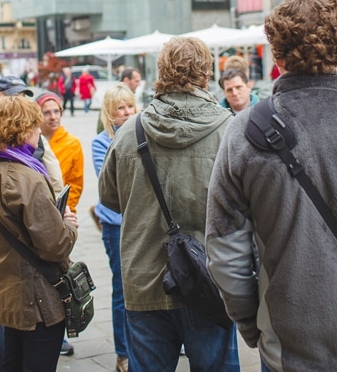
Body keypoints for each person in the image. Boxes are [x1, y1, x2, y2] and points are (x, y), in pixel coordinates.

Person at [206, 0, 337, 372]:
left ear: (276, 56)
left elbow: (224, 250)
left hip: (288, 343)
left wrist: (253, 324)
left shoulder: (243, 133)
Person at [98, 37, 241, 372]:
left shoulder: (130, 131)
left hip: (144, 278)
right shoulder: (229, 130)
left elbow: (108, 198)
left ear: (161, 71)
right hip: (209, 279)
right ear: (206, 72)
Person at [0, 95, 79, 372]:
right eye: (35, 124)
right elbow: (56, 246)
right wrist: (67, 223)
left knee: (12, 362)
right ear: (22, 129)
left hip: (8, 293)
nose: (40, 129)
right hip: (38, 298)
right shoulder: (27, 177)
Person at [91, 85, 138, 372]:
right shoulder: (101, 142)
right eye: (120, 108)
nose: (127, 112)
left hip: (141, 222)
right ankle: (123, 351)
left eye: (130, 106)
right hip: (116, 224)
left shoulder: (144, 134)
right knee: (122, 287)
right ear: (109, 112)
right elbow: (110, 184)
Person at [34, 90, 84, 357]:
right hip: (38, 218)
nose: (53, 117)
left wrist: (68, 209)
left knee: (61, 276)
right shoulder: (31, 142)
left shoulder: (71, 143)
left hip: (62, 218)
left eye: (57, 112)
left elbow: (75, 182)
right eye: (47, 112)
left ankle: (64, 328)